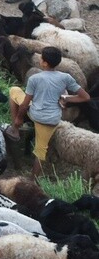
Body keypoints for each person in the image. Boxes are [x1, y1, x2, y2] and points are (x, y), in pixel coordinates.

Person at [9, 46, 90, 177]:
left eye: (41, 58)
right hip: (52, 120)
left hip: (36, 114)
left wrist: (18, 119)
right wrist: (66, 97)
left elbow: (24, 104)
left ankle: (15, 129)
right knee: (41, 151)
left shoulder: (35, 78)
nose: (39, 60)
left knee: (14, 90)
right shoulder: (65, 77)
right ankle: (33, 180)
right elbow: (85, 97)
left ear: (44, 63)